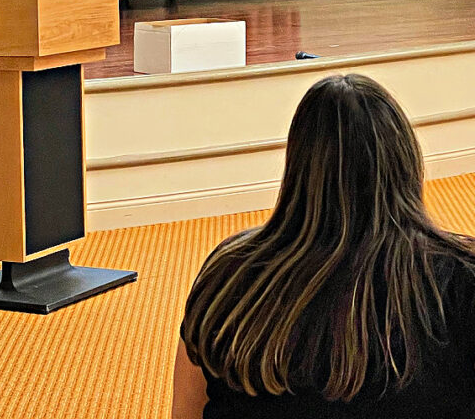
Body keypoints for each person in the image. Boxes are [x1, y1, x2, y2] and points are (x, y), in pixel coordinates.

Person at [173, 73, 475, 418]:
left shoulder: (228, 272)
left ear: (297, 167)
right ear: (407, 162)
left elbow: (185, 411)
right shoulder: (462, 279)